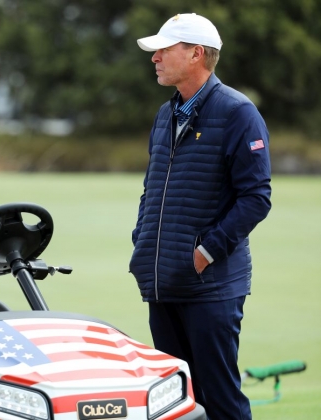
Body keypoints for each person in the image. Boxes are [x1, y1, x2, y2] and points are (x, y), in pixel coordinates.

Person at [128, 13, 272, 420]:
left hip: (211, 287)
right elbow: (151, 189)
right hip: (163, 282)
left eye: (164, 49)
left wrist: (207, 250)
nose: (155, 57)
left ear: (196, 54)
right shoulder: (165, 114)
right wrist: (142, 239)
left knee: (220, 401)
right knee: (175, 402)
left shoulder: (238, 112)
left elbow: (256, 197)